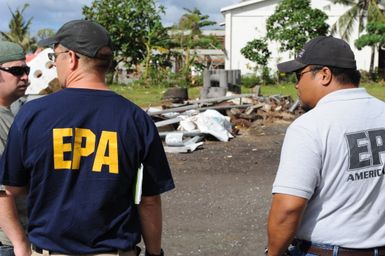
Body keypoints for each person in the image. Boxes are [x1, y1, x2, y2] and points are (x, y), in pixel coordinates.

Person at [0, 20, 175, 256]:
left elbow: (13, 188)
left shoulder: (32, 115)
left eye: (55, 55)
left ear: (71, 57)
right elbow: (150, 200)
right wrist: (155, 253)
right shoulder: (136, 119)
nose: (55, 63)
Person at [267, 36, 385, 256]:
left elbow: (288, 207)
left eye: (299, 75)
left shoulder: (310, 126)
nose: (296, 84)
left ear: (324, 75)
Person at [0, 41, 30, 256]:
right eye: (16, 71)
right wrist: (20, 243)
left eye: (26, 70)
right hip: (8, 241)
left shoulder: (9, 113)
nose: (26, 77)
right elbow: (1, 190)